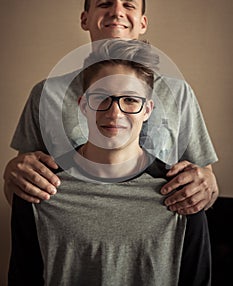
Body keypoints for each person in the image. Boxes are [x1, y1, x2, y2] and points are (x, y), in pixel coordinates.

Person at [3, 0, 218, 214]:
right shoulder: (46, 93)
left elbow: (204, 180)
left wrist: (209, 186)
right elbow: (21, 186)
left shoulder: (179, 93)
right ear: (85, 19)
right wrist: (12, 175)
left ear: (142, 22)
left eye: (128, 5)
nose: (117, 12)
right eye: (105, 3)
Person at [8, 39, 212, 285]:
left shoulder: (182, 196)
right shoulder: (41, 189)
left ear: (147, 110)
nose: (114, 113)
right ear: (83, 105)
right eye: (102, 97)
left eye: (130, 100)